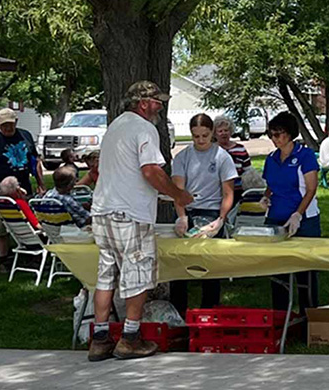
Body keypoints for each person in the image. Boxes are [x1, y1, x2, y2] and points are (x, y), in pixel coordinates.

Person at [88, 80, 195, 362]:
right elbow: (150, 171)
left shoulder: (116, 126)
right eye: (157, 101)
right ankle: (130, 339)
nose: (161, 105)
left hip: (103, 210)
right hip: (129, 215)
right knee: (138, 276)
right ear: (144, 103)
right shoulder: (145, 128)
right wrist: (178, 194)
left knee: (105, 275)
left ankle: (100, 339)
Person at [170, 113, 240, 310]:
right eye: (196, 136)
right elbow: (178, 190)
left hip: (211, 212)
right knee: (180, 264)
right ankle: (178, 313)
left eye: (205, 136)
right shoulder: (183, 157)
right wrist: (182, 216)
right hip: (188, 209)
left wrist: (220, 219)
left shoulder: (221, 157)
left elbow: (228, 193)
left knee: (209, 265)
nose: (200, 140)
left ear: (213, 134)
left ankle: (209, 311)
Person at [262, 112, 323, 311]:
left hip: (304, 219)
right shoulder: (271, 158)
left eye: (279, 134)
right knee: (277, 270)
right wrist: (266, 196)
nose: (275, 139)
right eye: (272, 135)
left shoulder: (304, 155)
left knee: (306, 271)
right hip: (275, 218)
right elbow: (271, 183)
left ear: (289, 134)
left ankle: (310, 316)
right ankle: (281, 315)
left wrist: (298, 214)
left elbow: (311, 188)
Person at [0, 108, 45, 269]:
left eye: (11, 124)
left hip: (22, 189)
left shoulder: (25, 136)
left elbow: (34, 162)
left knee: (27, 222)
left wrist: (40, 184)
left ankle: (32, 255)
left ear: (16, 121)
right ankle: (4, 259)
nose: (8, 128)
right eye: (4, 125)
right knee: (0, 227)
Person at [213, 115, 252, 189]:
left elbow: (248, 171)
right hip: (216, 192)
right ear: (215, 134)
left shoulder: (240, 149)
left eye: (226, 130)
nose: (223, 133)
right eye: (220, 131)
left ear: (230, 132)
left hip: (238, 190)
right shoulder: (211, 150)